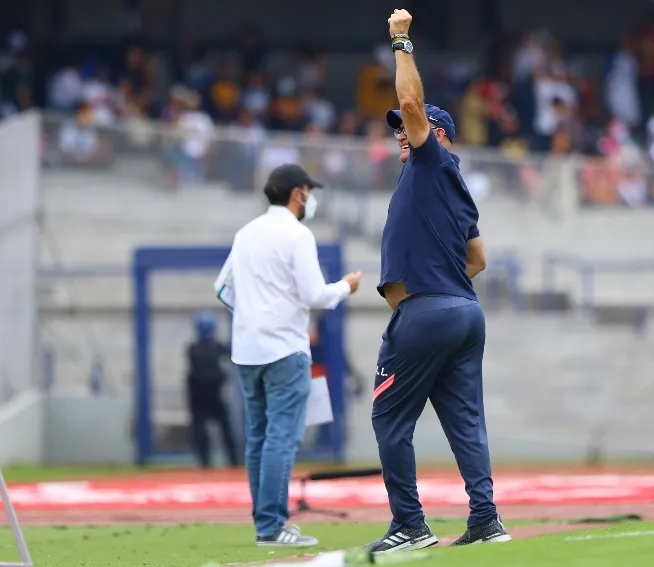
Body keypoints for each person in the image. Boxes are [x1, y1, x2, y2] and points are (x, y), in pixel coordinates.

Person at [365, 9, 510, 555]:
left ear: (433, 132)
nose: (401, 133)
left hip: (426, 313)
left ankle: (410, 524)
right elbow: (478, 258)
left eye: (408, 129)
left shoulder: (430, 163)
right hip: (463, 312)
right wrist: (443, 282)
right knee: (465, 422)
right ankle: (486, 518)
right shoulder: (452, 187)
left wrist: (401, 40)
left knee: (388, 418)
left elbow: (408, 103)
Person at [217, 163, 362, 547]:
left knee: (259, 438)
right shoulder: (297, 235)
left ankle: (265, 521)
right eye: (308, 192)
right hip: (284, 348)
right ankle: (271, 525)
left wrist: (253, 315)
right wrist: (346, 287)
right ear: (298, 193)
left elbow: (222, 288)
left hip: (247, 350)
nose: (310, 199)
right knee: (282, 437)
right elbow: (315, 295)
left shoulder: (246, 233)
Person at [185, 310, 239, 469]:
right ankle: (232, 461)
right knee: (222, 429)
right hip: (211, 397)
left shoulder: (193, 348)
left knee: (203, 431)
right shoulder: (213, 347)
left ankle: (205, 462)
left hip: (201, 398)